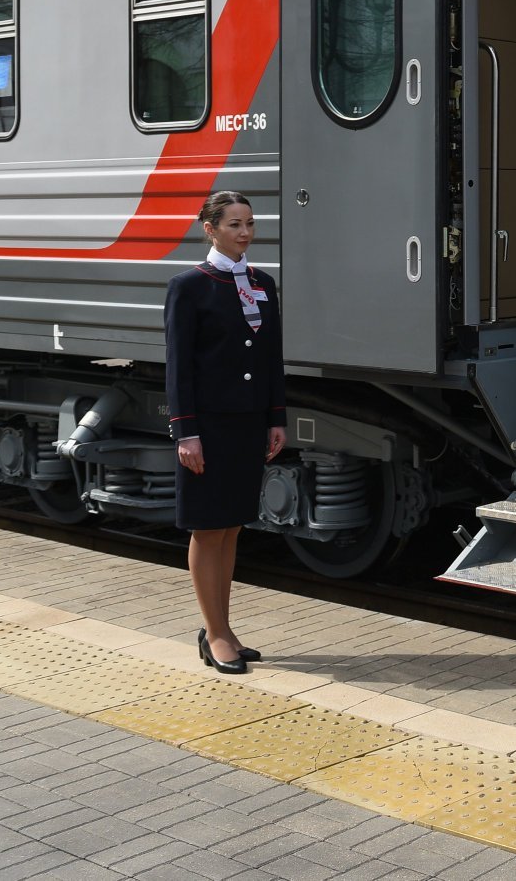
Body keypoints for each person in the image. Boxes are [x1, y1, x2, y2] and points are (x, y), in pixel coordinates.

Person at [164, 190, 287, 675]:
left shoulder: (262, 283)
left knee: (232, 525)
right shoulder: (189, 286)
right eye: (234, 224)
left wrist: (276, 417)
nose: (245, 232)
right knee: (206, 526)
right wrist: (185, 432)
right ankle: (213, 632)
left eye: (250, 224)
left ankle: (226, 628)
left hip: (248, 423)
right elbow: (179, 367)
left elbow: (271, 356)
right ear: (210, 229)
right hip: (208, 426)